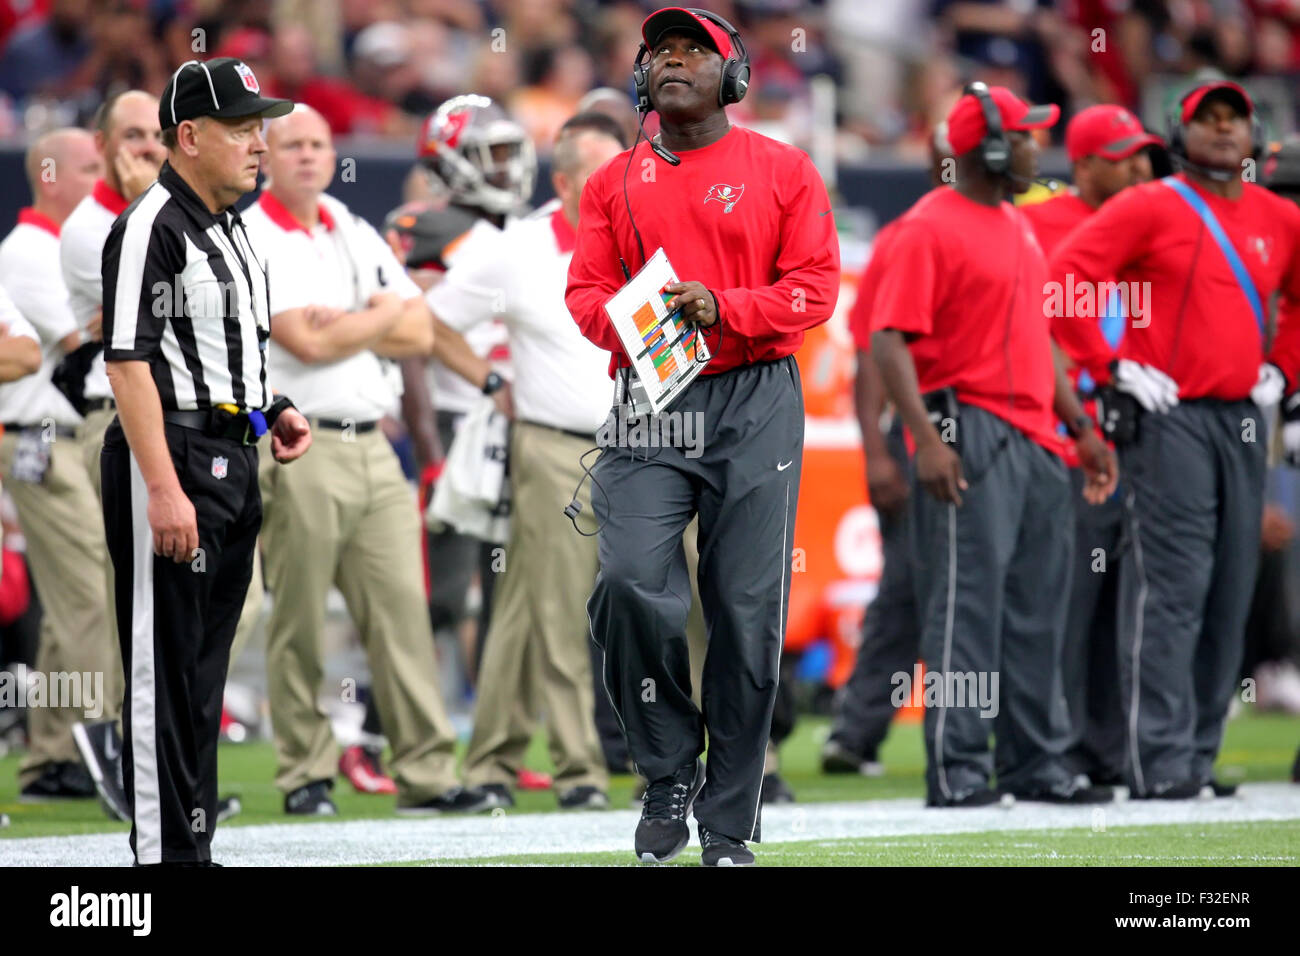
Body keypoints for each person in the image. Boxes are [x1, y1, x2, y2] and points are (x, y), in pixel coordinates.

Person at [566, 7, 840, 865]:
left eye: (695, 49)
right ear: (641, 78)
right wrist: (649, 327)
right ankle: (666, 767)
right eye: (661, 51)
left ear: (736, 76)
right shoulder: (611, 181)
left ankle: (728, 819)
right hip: (654, 398)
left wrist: (726, 306)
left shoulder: (785, 169)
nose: (674, 60)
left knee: (748, 613)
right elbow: (584, 297)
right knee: (625, 583)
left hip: (756, 397)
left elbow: (816, 289)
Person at [1048, 81, 1300, 799]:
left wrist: (1282, 370)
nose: (1223, 131)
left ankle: (1195, 753)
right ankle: (1157, 759)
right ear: (1179, 131)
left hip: (1245, 418)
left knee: (1230, 587)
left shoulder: (1279, 216)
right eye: (1207, 119)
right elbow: (1063, 277)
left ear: (1254, 135)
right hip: (1171, 416)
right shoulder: (1149, 204)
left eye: (1235, 119)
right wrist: (1112, 367)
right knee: (1174, 587)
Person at [871, 83, 1118, 809]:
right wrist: (927, 441)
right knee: (967, 607)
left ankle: (1037, 765)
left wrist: (1080, 427)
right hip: (967, 426)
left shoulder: (1018, 222)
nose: (1042, 150)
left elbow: (1039, 339)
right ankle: (957, 769)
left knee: (1040, 607)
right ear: (992, 147)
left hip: (1038, 435)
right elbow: (888, 342)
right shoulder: (928, 225)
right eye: (1028, 136)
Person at [99, 58, 311, 866]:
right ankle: (161, 861)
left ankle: (194, 847)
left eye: (263, 126)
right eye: (243, 128)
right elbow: (128, 363)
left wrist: (272, 407)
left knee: (202, 677)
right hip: (175, 460)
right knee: (163, 674)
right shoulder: (152, 221)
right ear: (188, 137)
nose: (262, 143)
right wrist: (160, 486)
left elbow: (222, 354)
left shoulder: (231, 223)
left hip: (230, 456)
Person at [242, 104, 479, 817]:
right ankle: (305, 772)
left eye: (319, 143)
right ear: (265, 156)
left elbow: (419, 330)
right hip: (298, 438)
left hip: (375, 447)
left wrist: (351, 322)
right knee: (302, 620)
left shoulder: (348, 222)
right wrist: (376, 316)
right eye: (294, 145)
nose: (311, 155)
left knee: (403, 612)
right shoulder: (253, 233)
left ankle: (428, 773)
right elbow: (303, 343)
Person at [425, 112, 625, 812]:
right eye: (600, 174)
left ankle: (493, 760)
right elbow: (432, 320)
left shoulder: (648, 238)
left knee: (525, 606)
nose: (616, 186)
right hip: (556, 447)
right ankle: (579, 772)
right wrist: (487, 382)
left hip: (650, 447)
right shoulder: (516, 249)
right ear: (565, 182)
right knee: (558, 609)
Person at [1020, 104, 1161, 788]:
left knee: (1123, 610)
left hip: (1150, 436)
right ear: (1082, 164)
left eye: (1143, 155)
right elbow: (1031, 325)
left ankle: (1110, 751)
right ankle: (1056, 749)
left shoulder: (1157, 221)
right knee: (1066, 604)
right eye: (1124, 155)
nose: (1140, 167)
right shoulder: (1039, 224)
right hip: (1073, 438)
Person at [823, 124, 952, 778]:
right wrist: (875, 450)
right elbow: (877, 343)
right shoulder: (912, 234)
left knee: (960, 587)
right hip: (921, 436)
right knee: (907, 584)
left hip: (982, 432)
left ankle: (993, 730)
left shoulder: (1004, 223)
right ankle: (857, 727)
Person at [0, 129, 105, 803]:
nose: (101, 180)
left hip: (64, 436)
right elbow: (82, 350)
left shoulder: (64, 246)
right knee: (92, 595)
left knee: (78, 600)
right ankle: (100, 747)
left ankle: (56, 754)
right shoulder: (32, 251)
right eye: (90, 167)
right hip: (40, 438)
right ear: (49, 175)